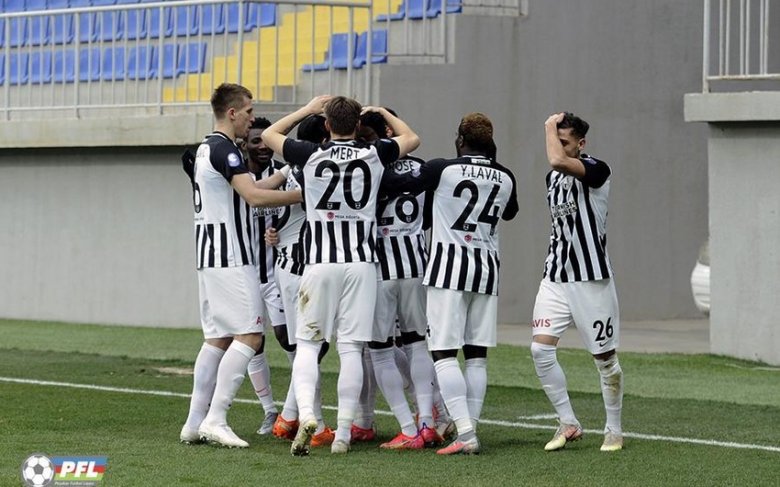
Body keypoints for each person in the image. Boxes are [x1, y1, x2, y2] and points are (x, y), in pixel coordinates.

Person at [261, 95, 420, 455]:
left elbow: (270, 135)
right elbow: (412, 138)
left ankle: (307, 415)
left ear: (327, 125)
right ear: (358, 123)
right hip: (361, 264)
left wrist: (306, 110)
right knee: (351, 349)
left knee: (308, 344)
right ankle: (344, 434)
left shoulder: (309, 154)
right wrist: (382, 112)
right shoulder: (375, 153)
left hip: (319, 262)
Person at [179, 83, 302, 449]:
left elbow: (254, 186)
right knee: (250, 335)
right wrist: (305, 195)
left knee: (217, 338)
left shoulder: (207, 148)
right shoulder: (226, 149)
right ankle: (216, 418)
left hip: (210, 256)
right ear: (232, 113)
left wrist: (287, 172)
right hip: (231, 256)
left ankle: (193, 423)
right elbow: (254, 197)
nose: (252, 118)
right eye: (248, 111)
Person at [411, 113, 518, 455]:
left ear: (460, 139)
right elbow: (510, 212)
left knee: (443, 353)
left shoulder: (441, 168)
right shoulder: (506, 176)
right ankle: (468, 426)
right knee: (476, 355)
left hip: (448, 270)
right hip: (486, 271)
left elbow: (401, 185)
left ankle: (466, 433)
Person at [531, 112, 623, 452]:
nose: (557, 147)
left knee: (605, 360)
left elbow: (557, 159)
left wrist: (547, 126)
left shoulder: (598, 170)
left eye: (564, 141)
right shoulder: (552, 179)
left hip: (590, 278)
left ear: (580, 144)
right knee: (540, 350)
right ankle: (568, 422)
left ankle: (614, 429)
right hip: (555, 277)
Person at [361, 109, 443, 450]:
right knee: (417, 344)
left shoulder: (366, 166)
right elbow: (428, 219)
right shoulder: (423, 167)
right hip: (416, 265)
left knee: (379, 351)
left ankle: (408, 429)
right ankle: (428, 422)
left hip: (379, 270)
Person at [264, 114, 336, 448]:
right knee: (311, 347)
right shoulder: (318, 170)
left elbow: (260, 191)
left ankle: (288, 417)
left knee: (305, 348)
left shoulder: (289, 169)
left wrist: (275, 227)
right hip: (305, 267)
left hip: (286, 264)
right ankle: (313, 424)